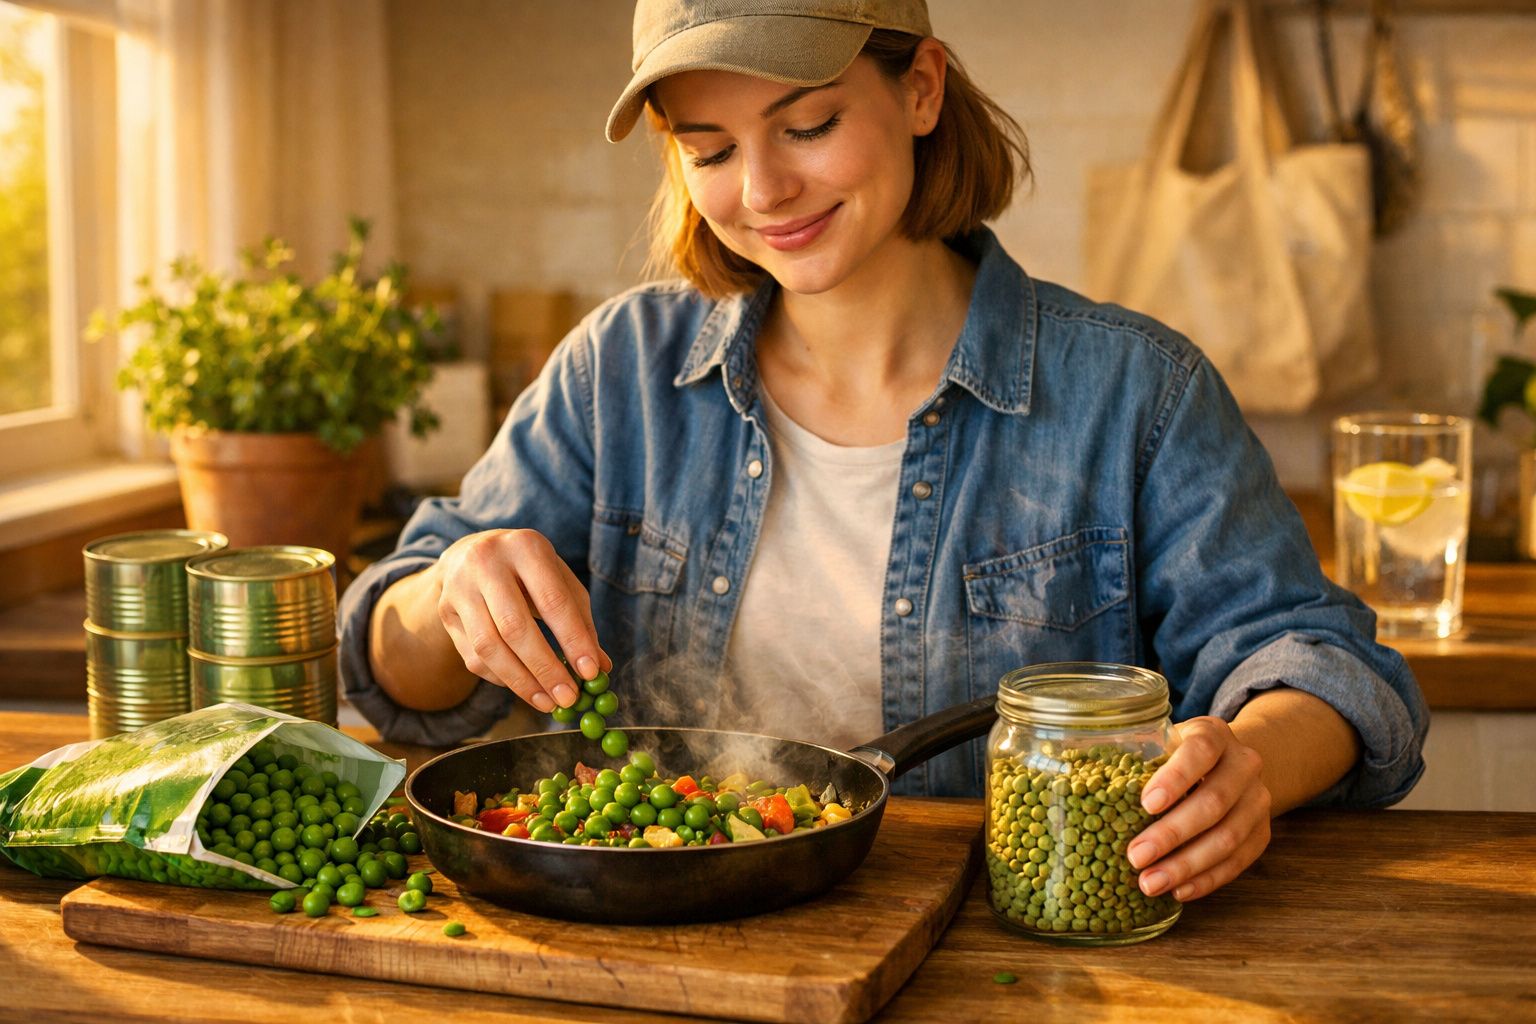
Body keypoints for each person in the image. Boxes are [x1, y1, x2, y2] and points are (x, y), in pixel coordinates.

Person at [338, 0, 1428, 905]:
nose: (761, 192)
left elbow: (1324, 668)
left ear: (921, 89)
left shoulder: (1135, 391)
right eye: (707, 149)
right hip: (656, 949)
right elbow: (387, 671)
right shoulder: (617, 372)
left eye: (806, 127)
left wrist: (1249, 763)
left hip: (1010, 945)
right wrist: (445, 594)